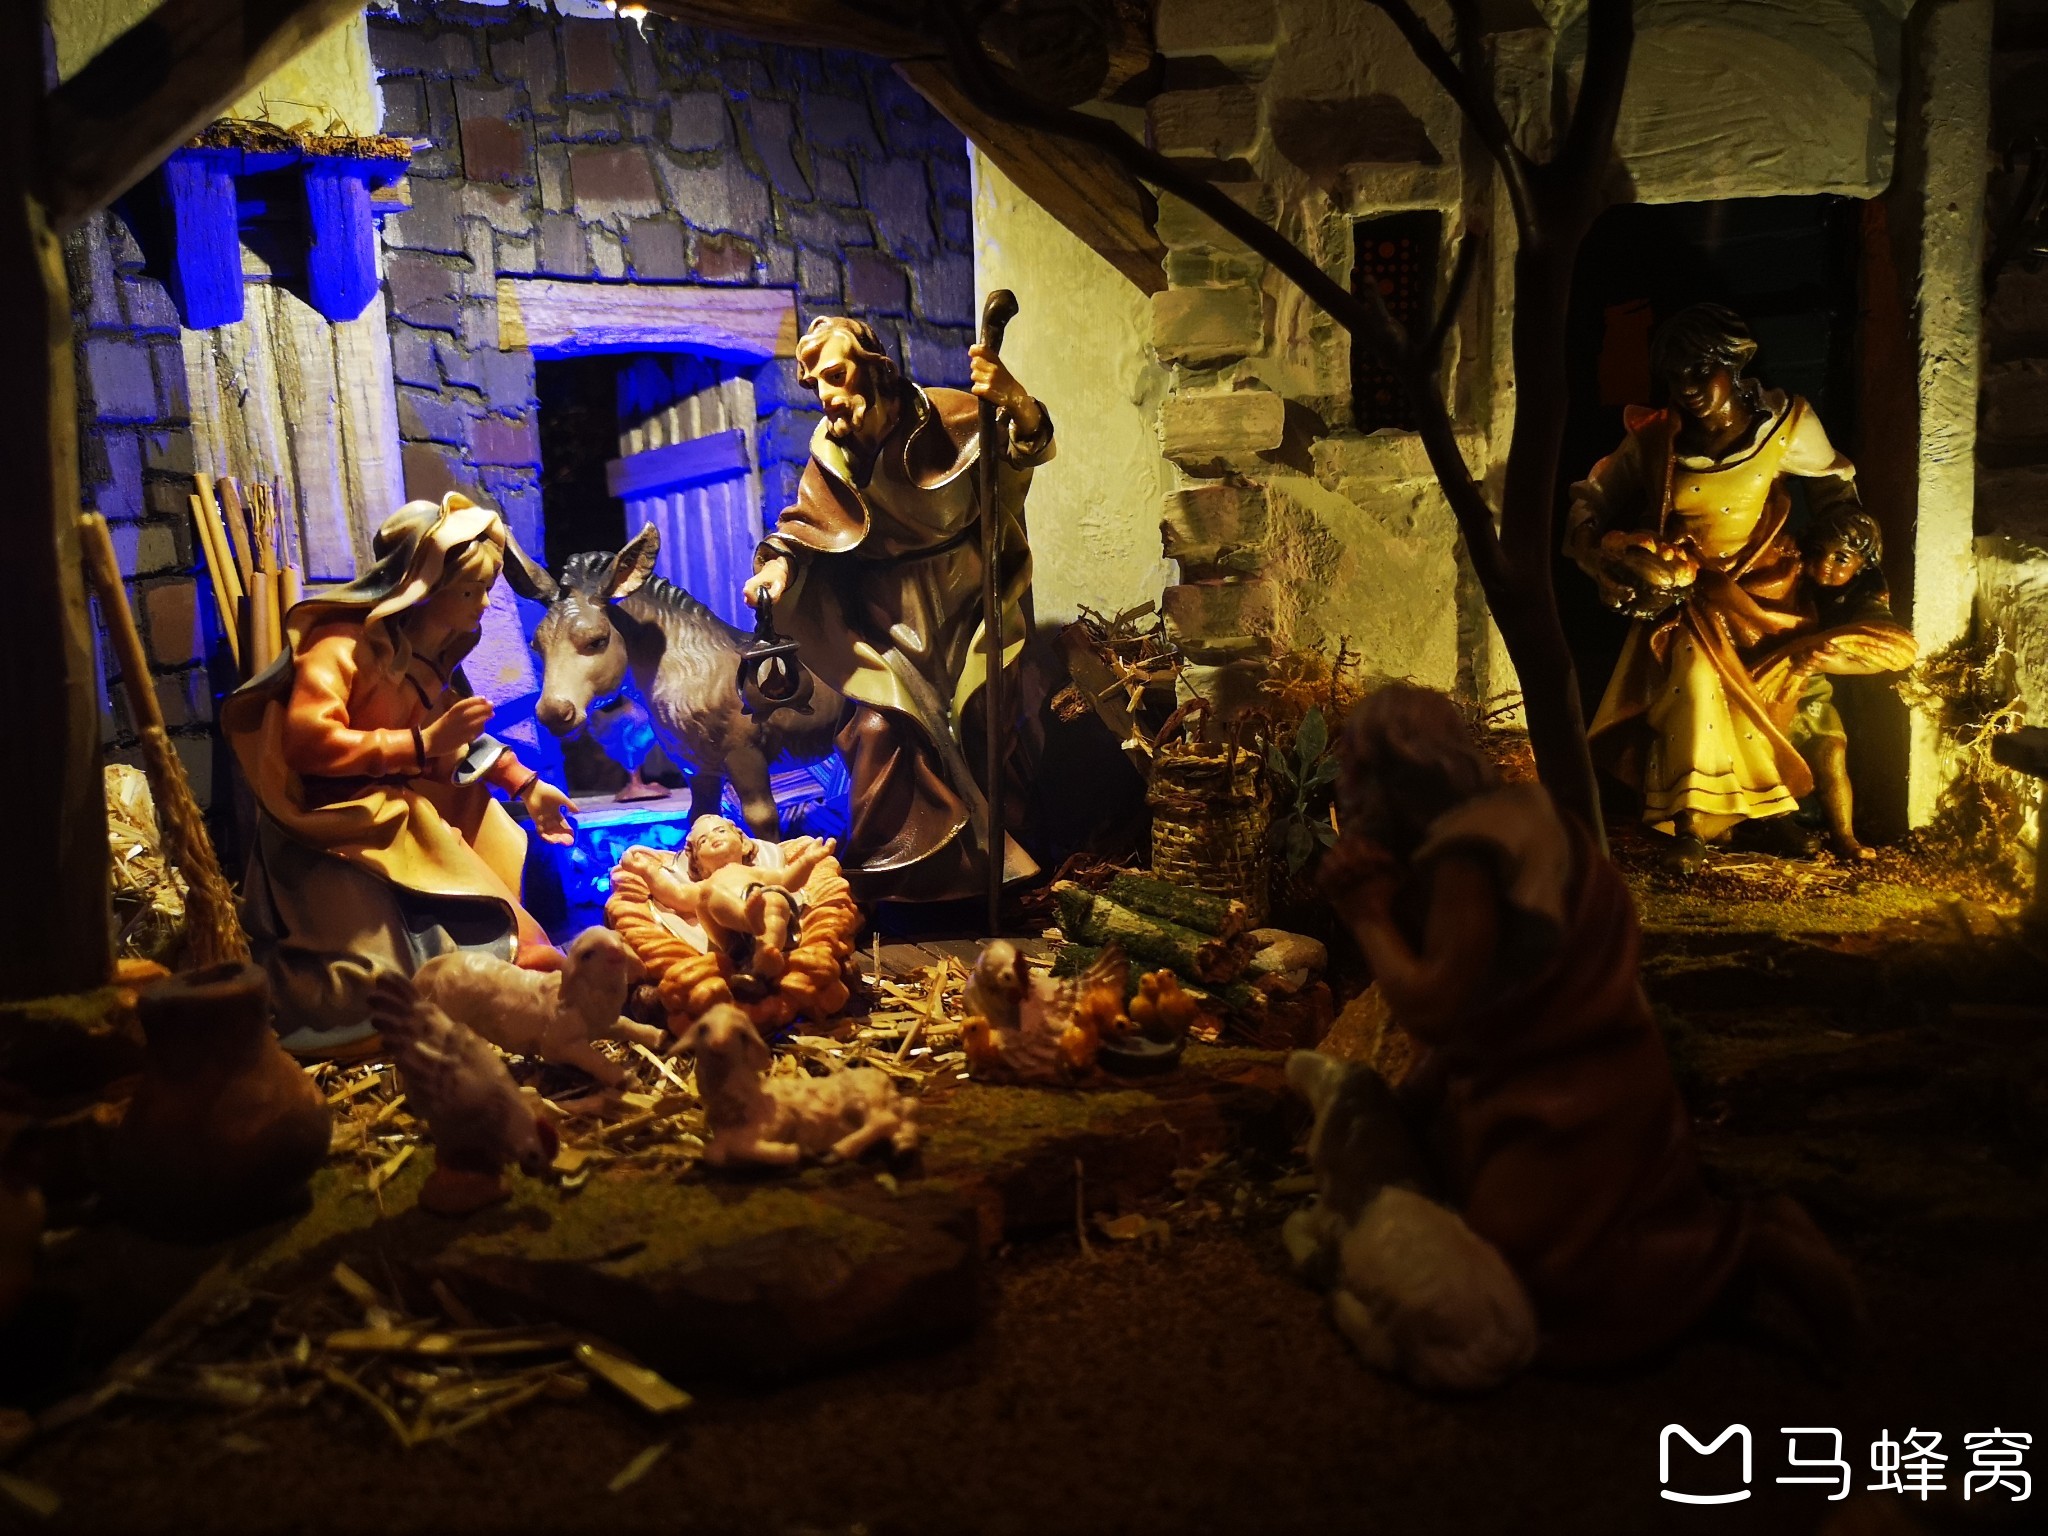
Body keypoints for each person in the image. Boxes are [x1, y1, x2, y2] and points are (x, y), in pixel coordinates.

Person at [1317, 684, 1860, 1368]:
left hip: (1556, 1090)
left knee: (1544, 1262)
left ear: (1395, 771)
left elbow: (1436, 1006)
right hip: (1602, 1065)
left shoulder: (1467, 853)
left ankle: (1753, 1247)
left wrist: (1366, 912)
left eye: (1356, 771)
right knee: (1608, 1223)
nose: (1348, 792)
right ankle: (1740, 1248)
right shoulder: (1526, 812)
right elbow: (1501, 990)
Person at [222, 493, 577, 1055]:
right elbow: (309, 742)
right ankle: (468, 981)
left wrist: (525, 785)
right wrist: (418, 744)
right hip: (329, 821)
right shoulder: (340, 646)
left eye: (487, 589)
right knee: (368, 977)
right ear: (424, 588)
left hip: (393, 800)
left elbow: (455, 741)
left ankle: (511, 969)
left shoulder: (428, 656)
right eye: (471, 591)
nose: (484, 604)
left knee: (478, 825)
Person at [739, 315, 1050, 902]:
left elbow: (1025, 448)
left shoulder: (953, 415)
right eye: (815, 384)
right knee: (879, 730)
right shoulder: (832, 452)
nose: (827, 395)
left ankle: (1001, 874)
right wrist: (777, 570)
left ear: (875, 367)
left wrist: (1015, 400)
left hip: (965, 606)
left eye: (836, 375)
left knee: (985, 723)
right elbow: (803, 528)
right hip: (884, 620)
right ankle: (899, 883)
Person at [1567, 304, 1864, 871]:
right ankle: (1690, 822)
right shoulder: (1657, 437)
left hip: (1765, 593)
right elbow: (1596, 493)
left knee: (1764, 696)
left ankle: (1770, 813)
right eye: (1675, 375)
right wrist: (1595, 551)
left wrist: (1847, 548)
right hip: (1687, 592)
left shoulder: (1786, 425)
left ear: (1735, 363)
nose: (1688, 387)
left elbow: (1834, 487)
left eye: (1701, 370)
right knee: (1697, 683)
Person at [1752, 506, 1917, 860]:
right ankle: (1775, 824)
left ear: (1862, 565)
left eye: (1841, 558)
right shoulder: (1791, 570)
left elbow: (1886, 649)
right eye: (1818, 552)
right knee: (1767, 753)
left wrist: (1832, 661)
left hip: (1812, 688)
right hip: (1768, 681)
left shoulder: (1864, 595)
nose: (1825, 564)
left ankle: (1845, 836)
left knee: (1831, 753)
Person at [620, 819, 836, 979]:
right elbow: (675, 895)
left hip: (763, 919)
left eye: (721, 831)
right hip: (730, 937)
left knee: (775, 898)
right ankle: (746, 919)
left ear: (743, 844)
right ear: (697, 864)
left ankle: (766, 956)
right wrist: (647, 871)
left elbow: (788, 880)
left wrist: (807, 861)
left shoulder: (756, 873)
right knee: (709, 895)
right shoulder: (706, 884)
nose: (713, 838)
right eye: (703, 841)